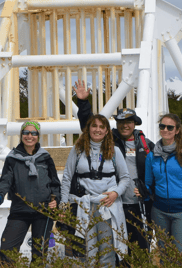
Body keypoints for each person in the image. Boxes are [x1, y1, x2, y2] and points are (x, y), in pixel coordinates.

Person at [74, 80, 154, 255]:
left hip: (137, 205)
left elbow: (157, 173)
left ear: (135, 123)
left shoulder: (146, 145)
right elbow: (89, 125)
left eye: (129, 121)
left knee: (141, 248)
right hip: (113, 203)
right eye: (121, 121)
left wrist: (149, 191)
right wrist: (83, 103)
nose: (125, 125)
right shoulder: (110, 141)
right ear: (116, 124)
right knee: (116, 248)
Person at [61, 114, 130, 267]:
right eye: (94, 126)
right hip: (84, 206)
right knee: (87, 251)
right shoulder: (78, 150)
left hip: (108, 206)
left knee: (107, 250)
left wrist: (115, 193)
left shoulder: (114, 151)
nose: (97, 130)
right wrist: (63, 204)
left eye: (101, 127)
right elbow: (67, 177)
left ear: (106, 131)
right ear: (88, 129)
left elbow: (125, 178)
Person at [0, 121, 61, 264]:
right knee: (7, 251)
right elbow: (5, 181)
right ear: (21, 135)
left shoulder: (45, 158)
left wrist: (56, 199)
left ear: (38, 136)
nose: (29, 136)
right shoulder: (12, 158)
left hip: (43, 211)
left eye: (33, 133)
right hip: (20, 210)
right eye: (26, 133)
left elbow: (54, 183)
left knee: (39, 256)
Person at [135, 113, 182, 254]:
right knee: (164, 253)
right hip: (159, 211)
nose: (165, 130)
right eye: (162, 126)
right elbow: (149, 184)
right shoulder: (152, 156)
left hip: (181, 212)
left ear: (177, 130)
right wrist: (143, 192)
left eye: (170, 127)